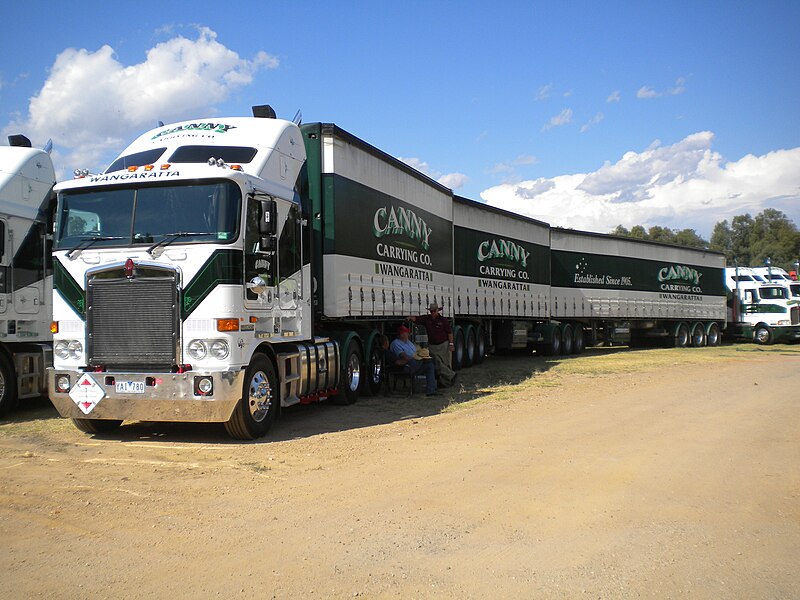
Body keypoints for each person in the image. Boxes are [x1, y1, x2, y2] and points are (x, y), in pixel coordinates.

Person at [409, 302, 456, 387]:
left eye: (434, 311)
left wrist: (451, 344)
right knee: (437, 363)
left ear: (438, 310)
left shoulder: (443, 320)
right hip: (432, 346)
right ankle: (450, 376)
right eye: (431, 311)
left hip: (443, 345)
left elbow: (449, 333)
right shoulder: (426, 319)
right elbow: (416, 319)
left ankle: (447, 382)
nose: (433, 313)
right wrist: (410, 318)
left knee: (446, 363)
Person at [389, 326, 439, 396]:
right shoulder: (396, 343)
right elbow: (404, 356)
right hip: (406, 365)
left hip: (416, 362)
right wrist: (418, 358)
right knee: (427, 361)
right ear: (401, 334)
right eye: (406, 333)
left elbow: (417, 351)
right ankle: (436, 371)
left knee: (430, 365)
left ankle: (431, 390)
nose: (408, 334)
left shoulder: (409, 342)